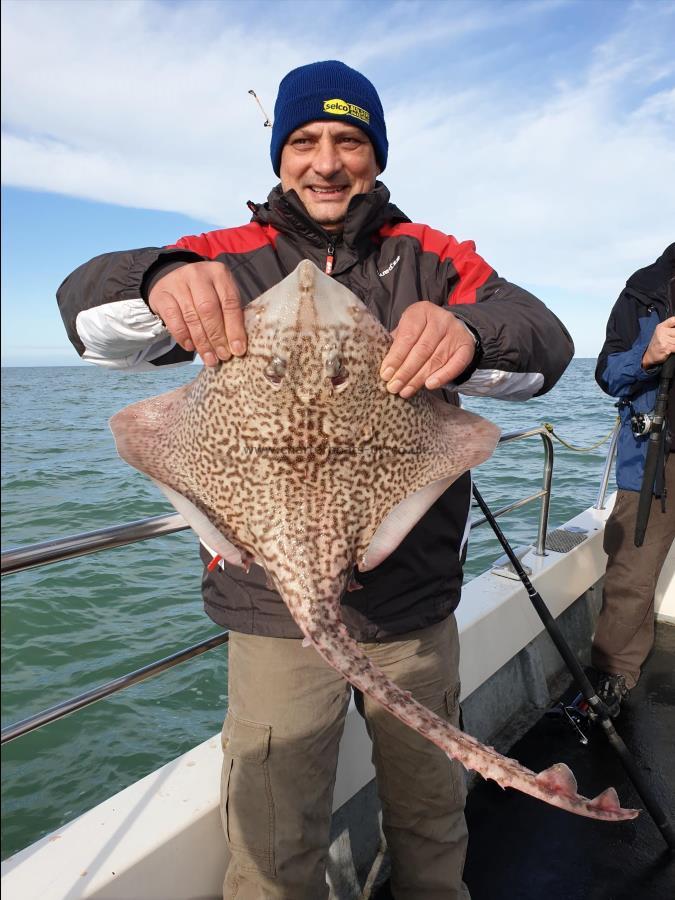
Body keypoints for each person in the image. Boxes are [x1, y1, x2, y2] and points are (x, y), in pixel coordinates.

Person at [57, 61, 574, 900]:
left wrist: (472, 333)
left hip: (410, 609)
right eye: (303, 141)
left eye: (348, 140)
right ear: (279, 156)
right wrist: (155, 278)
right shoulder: (222, 256)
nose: (325, 162)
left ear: (375, 153)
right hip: (270, 613)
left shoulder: (433, 259)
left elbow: (542, 340)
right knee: (271, 836)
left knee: (431, 812)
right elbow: (87, 318)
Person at [591, 244, 675, 717]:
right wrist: (650, 353)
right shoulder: (644, 290)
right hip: (656, 460)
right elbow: (606, 372)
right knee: (631, 573)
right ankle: (611, 678)